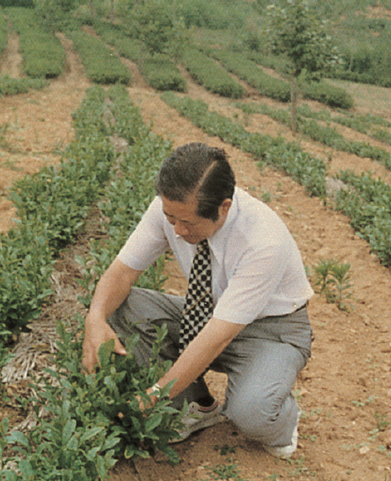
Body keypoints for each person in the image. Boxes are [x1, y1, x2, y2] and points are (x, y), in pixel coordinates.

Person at [82, 142, 313, 458]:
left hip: (271, 331)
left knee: (251, 413)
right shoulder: (173, 210)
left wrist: (156, 394)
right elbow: (120, 275)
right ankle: (195, 405)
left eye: (187, 222)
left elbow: (217, 338)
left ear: (224, 207)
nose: (176, 230)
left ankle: (281, 418)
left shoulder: (262, 241)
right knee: (119, 306)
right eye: (170, 218)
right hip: (211, 313)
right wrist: (94, 319)